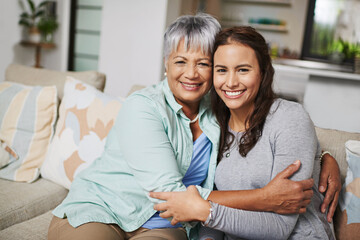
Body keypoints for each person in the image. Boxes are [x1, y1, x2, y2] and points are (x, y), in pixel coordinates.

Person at [48, 14, 340, 240]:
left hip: (166, 224)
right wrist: (264, 197)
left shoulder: (219, 109)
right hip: (103, 208)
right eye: (180, 61)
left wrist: (325, 158)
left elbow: (284, 131)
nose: (191, 74)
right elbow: (175, 195)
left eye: (203, 63)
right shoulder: (144, 107)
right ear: (165, 64)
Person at [150, 26, 336, 239]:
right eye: (222, 70)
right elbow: (220, 207)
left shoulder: (288, 117)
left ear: (263, 72)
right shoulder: (214, 125)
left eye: (243, 70)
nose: (230, 82)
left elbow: (280, 227)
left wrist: (205, 212)